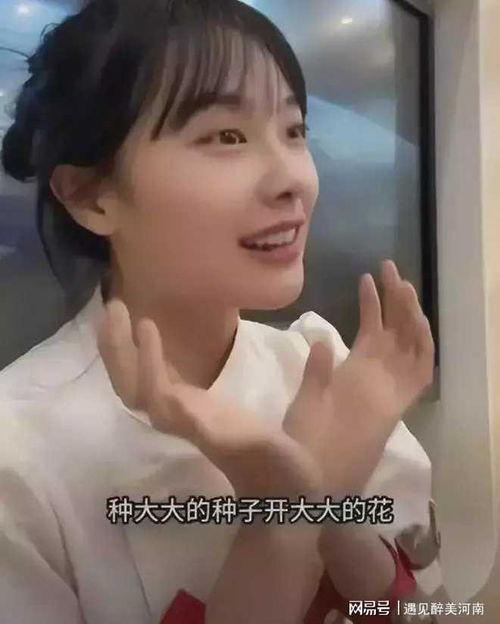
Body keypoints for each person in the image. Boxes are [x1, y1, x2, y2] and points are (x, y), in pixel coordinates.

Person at [0, 1, 440, 622]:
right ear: (92, 196)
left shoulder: (325, 372)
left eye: (294, 131)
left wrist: (330, 503)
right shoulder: (18, 452)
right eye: (226, 136)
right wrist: (282, 519)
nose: (293, 178)